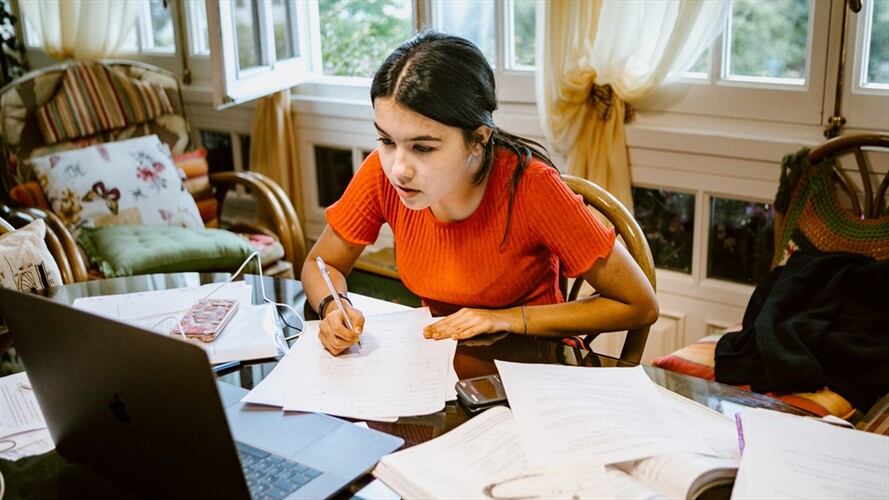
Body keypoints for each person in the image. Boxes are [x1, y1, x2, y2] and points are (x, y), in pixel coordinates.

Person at [301, 31, 658, 376]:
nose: (399, 169)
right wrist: (334, 306)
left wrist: (504, 318)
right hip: (443, 366)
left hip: (534, 367)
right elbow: (322, 264)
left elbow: (639, 304)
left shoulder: (532, 187)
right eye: (386, 141)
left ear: (478, 139)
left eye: (423, 147)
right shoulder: (383, 176)